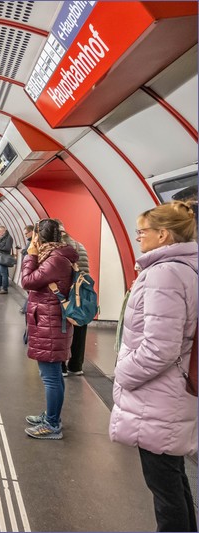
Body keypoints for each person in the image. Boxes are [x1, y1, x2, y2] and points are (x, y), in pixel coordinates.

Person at [109, 201, 197, 532]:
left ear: (163, 234)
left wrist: (123, 373)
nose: (138, 238)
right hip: (174, 390)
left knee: (164, 488)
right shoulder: (187, 267)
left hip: (157, 395)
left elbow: (161, 346)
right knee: (173, 480)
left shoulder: (165, 274)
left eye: (142, 232)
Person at [20, 219, 78, 439]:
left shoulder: (55, 259)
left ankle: (52, 424)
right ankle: (51, 416)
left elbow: (27, 281)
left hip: (50, 323)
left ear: (38, 236)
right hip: (48, 320)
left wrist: (30, 254)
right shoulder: (57, 256)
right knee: (53, 375)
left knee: (51, 377)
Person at [54, 220, 91, 377]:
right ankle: (76, 365)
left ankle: (61, 365)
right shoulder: (79, 245)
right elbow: (85, 271)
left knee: (62, 328)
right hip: (80, 292)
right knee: (79, 327)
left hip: (63, 293)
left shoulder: (55, 249)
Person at [19, 225, 34, 314]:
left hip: (29, 269)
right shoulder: (30, 241)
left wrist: (23, 251)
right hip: (28, 268)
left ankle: (26, 308)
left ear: (32, 231)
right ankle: (26, 308)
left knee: (31, 291)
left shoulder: (32, 242)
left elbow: (28, 253)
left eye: (26, 233)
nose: (25, 236)